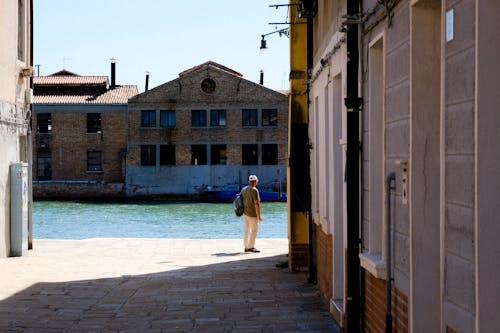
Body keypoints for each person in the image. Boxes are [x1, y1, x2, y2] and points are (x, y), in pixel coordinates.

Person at [240, 174, 262, 253]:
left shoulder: (244, 189)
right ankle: (251, 247)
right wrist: (259, 215)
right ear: (255, 181)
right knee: (254, 231)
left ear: (249, 181)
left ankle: (246, 247)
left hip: (245, 214)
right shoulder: (254, 190)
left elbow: (240, 199)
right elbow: (257, 203)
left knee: (246, 230)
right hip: (252, 215)